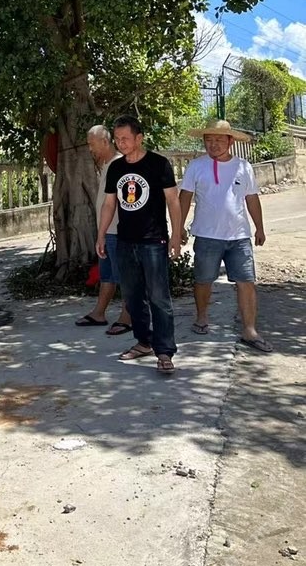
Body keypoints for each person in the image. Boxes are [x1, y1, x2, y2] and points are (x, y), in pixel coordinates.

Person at [97, 116, 182, 374]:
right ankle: (144, 342)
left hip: (153, 241)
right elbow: (109, 204)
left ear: (139, 138)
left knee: (159, 297)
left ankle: (164, 351)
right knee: (132, 297)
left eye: (125, 138)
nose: (120, 143)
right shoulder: (116, 168)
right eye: (117, 139)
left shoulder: (159, 164)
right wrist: (101, 234)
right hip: (125, 241)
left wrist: (176, 235)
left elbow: (173, 201)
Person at [178, 119, 271, 353]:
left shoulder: (243, 166)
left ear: (230, 141)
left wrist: (259, 227)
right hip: (206, 235)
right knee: (203, 279)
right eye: (208, 140)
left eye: (219, 139)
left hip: (239, 236)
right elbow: (185, 197)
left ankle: (250, 330)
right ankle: (201, 317)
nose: (213, 144)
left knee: (246, 281)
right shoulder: (196, 166)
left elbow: (251, 198)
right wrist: (178, 227)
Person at [76, 125, 132, 335]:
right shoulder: (108, 165)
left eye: (92, 144)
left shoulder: (119, 164)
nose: (90, 149)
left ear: (105, 142)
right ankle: (99, 313)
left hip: (118, 231)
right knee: (107, 275)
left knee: (125, 277)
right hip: (107, 232)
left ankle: (128, 317)